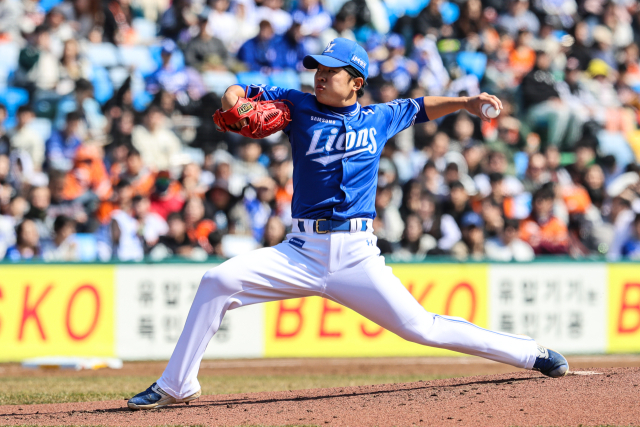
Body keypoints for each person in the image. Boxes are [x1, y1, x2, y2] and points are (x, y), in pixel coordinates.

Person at [128, 37, 569, 411]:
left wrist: (466, 103)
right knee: (217, 280)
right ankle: (177, 384)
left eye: (332, 71)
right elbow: (234, 91)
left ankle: (532, 353)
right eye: (318, 67)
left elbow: (419, 107)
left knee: (422, 327)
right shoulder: (297, 103)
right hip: (299, 252)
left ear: (356, 82)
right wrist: (236, 104)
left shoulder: (378, 117)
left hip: (357, 256)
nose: (320, 75)